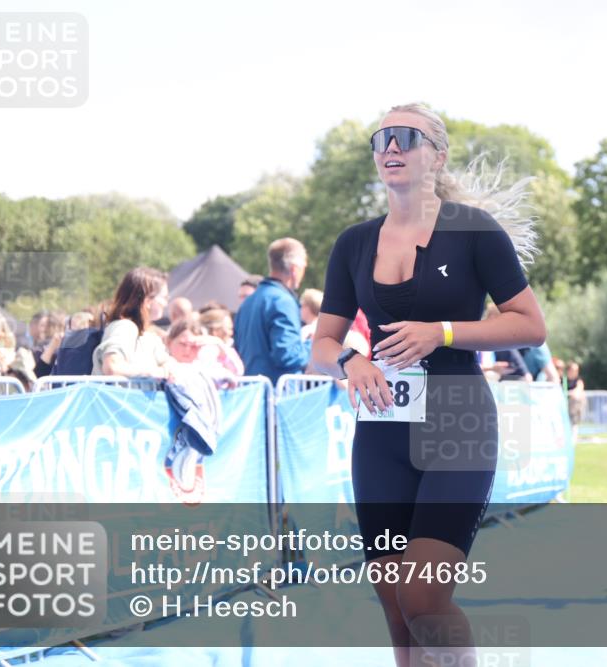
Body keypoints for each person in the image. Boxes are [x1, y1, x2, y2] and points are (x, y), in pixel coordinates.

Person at [311, 102, 545, 666]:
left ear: (436, 155)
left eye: (405, 137)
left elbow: (530, 325)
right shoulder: (353, 243)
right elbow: (320, 342)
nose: (390, 147)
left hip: (456, 428)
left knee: (423, 597)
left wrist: (440, 332)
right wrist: (351, 361)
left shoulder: (474, 233)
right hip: (382, 435)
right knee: (396, 607)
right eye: (381, 138)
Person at [234, 238, 310, 384]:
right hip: (278, 397)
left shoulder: (248, 302)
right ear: (294, 269)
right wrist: (313, 345)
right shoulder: (282, 301)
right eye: (304, 267)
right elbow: (287, 355)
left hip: (252, 393)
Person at [92, 267, 172, 378]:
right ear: (148, 301)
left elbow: (168, 367)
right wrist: (154, 372)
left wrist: (167, 369)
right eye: (164, 297)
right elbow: (112, 367)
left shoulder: (149, 336)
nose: (166, 303)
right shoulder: (124, 327)